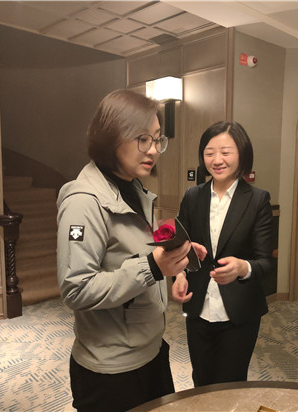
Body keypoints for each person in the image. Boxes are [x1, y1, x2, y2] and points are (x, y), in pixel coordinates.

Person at [57, 89, 201, 412]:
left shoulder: (134, 189)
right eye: (142, 139)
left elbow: (134, 249)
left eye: (158, 140)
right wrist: (152, 267)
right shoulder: (84, 202)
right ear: (111, 136)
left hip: (150, 351)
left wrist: (176, 259)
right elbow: (75, 289)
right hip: (111, 370)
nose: (153, 150)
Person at [172, 121, 276, 387]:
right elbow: (182, 248)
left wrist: (242, 268)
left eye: (226, 152)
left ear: (242, 154)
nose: (217, 160)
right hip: (198, 307)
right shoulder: (192, 196)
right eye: (209, 153)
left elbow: (266, 262)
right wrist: (180, 276)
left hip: (239, 312)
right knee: (201, 381)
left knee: (231, 384)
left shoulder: (257, 200)